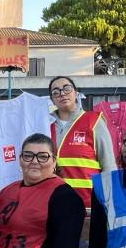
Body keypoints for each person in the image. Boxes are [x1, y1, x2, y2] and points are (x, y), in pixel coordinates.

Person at [49, 75, 115, 209]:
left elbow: (109, 166)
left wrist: (109, 202)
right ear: (52, 100)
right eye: (56, 92)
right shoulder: (46, 124)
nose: (62, 94)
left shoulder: (94, 121)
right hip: (56, 204)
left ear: (76, 93)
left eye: (67, 88)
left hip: (90, 204)